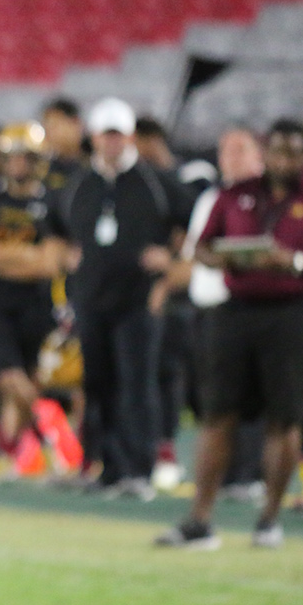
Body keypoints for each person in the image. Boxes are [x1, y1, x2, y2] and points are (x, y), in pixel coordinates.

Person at [156, 120, 303, 549]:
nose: (284, 160)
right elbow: (201, 246)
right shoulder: (235, 194)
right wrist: (227, 257)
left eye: (293, 152)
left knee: (284, 418)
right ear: (266, 153)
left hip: (293, 313)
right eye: (277, 151)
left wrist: (295, 263)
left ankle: (269, 519)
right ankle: (199, 520)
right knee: (216, 414)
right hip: (236, 310)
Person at [45, 97, 191, 499]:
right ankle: (106, 466)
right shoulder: (78, 184)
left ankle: (138, 469)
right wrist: (65, 255)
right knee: (98, 384)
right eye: (106, 135)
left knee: (137, 385)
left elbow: (195, 221)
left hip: (138, 300)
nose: (112, 143)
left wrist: (171, 259)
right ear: (94, 138)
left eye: (118, 135)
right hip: (91, 299)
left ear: (129, 138)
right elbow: (53, 228)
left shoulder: (155, 182)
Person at [0, 122, 63, 462]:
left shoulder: (51, 200)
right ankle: (47, 433)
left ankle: (16, 449)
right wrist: (26, 255)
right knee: (7, 375)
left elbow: (49, 263)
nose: (18, 163)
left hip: (36, 301)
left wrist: (0, 255)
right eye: (13, 157)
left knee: (29, 375)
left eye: (25, 157)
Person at [134, 115, 220, 489]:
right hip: (172, 296)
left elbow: (198, 235)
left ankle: (225, 461)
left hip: (199, 294)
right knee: (166, 376)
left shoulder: (193, 176)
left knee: (201, 383)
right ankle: (166, 450)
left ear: (151, 139)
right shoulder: (146, 184)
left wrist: (170, 264)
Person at [41, 97, 89, 197]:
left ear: (75, 123)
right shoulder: (44, 169)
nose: (48, 134)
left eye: (54, 126)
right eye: (46, 128)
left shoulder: (97, 165)